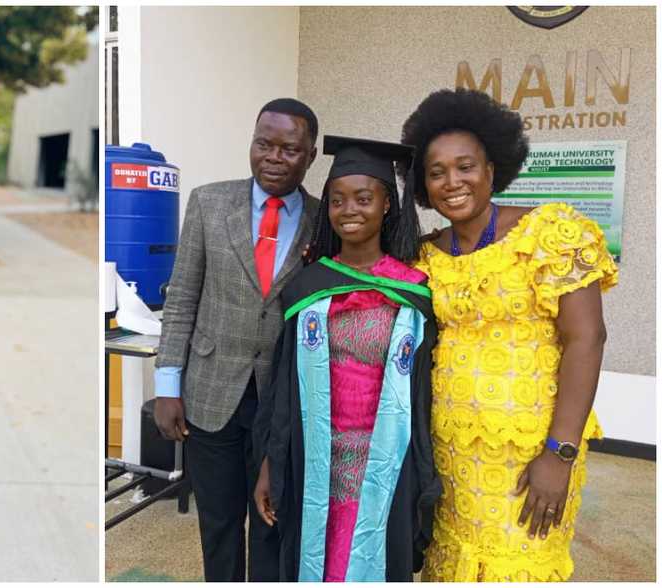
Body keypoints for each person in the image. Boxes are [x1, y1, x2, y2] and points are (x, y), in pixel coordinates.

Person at [400, 88, 618, 581]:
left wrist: (559, 454)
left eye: (465, 167)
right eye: (436, 172)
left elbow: (587, 339)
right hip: (452, 452)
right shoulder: (425, 254)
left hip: (532, 451)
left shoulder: (550, 233)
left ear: (492, 169)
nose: (452, 182)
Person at [252, 136, 441, 582]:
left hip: (387, 459)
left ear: (387, 205)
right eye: (337, 200)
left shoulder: (414, 290)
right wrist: (270, 464)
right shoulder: (308, 287)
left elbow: (422, 394)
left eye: (363, 198)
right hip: (315, 457)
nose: (348, 210)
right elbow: (282, 391)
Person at [153, 98, 321, 581]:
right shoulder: (208, 203)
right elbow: (182, 298)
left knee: (272, 522)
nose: (274, 157)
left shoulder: (324, 218)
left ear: (310, 156)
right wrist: (167, 386)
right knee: (220, 523)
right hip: (210, 392)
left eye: (289, 149)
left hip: (283, 401)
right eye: (264, 144)